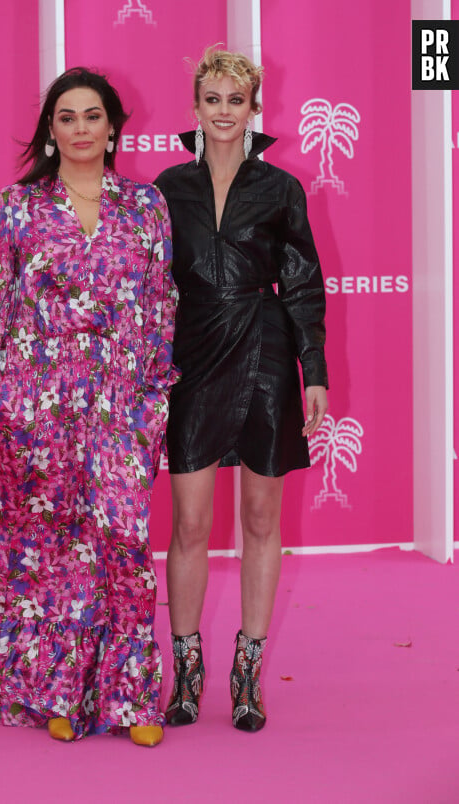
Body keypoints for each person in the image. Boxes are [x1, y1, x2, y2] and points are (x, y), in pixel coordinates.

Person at [0, 67, 179, 747]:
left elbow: (162, 302)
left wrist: (152, 395)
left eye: (92, 116)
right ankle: (59, 689)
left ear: (113, 125)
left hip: (118, 402)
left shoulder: (146, 207)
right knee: (51, 550)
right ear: (50, 133)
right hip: (35, 402)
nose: (80, 129)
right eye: (66, 118)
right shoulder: (16, 208)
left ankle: (132, 697)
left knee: (121, 543)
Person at [154, 47, 328, 732]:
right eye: (213, 99)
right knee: (190, 522)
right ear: (195, 107)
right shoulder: (166, 189)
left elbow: (304, 284)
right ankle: (187, 672)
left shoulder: (280, 188)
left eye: (236, 100)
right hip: (192, 354)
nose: (224, 111)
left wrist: (312, 370)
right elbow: (147, 287)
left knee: (260, 518)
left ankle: (247, 673)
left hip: (262, 349)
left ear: (254, 108)